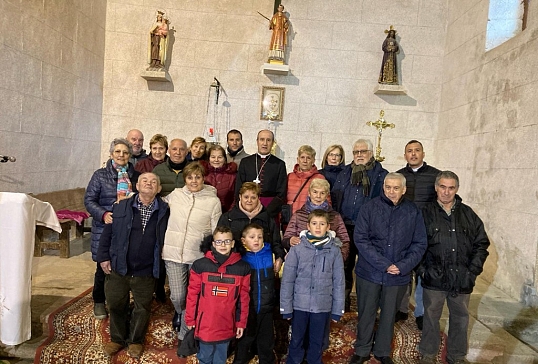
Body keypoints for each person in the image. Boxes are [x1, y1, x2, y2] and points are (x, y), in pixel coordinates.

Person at [349, 173, 427, 364]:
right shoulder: (369, 208)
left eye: (396, 188)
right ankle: (362, 349)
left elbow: (419, 243)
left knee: (389, 314)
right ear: (383, 188)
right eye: (388, 187)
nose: (392, 191)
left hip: (398, 274)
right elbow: (361, 239)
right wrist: (384, 264)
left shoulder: (413, 211)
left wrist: (402, 266)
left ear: (404, 189)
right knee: (366, 313)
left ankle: (383, 351)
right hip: (370, 271)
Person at [418, 171, 490, 364]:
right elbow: (416, 245)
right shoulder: (425, 213)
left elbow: (481, 244)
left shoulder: (468, 214)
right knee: (431, 318)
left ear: (457, 189)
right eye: (443, 187)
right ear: (436, 187)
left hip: (461, 278)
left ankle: (457, 356)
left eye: (451, 188)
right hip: (434, 278)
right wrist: (423, 270)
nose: (446, 192)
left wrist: (472, 272)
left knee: (460, 319)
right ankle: (428, 354)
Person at [97, 173, 170, 358]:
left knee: (142, 307)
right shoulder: (121, 206)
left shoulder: (166, 210)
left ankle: (136, 341)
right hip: (119, 266)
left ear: (159, 189)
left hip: (146, 269)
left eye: (154, 182)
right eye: (145, 181)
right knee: (115, 303)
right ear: (137, 186)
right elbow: (108, 233)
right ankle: (117, 339)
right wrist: (104, 257)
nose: (149, 184)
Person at [162, 162, 222, 348]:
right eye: (190, 177)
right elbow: (156, 202)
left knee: (194, 295)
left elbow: (216, 230)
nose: (194, 181)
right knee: (178, 296)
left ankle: (185, 332)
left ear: (203, 178)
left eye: (197, 177)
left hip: (197, 257)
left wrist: (216, 256)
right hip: (173, 253)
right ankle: (180, 313)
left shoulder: (213, 201)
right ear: (184, 179)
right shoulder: (176, 195)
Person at [84, 138, 139, 320]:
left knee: (124, 265)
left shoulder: (136, 176)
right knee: (103, 267)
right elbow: (89, 200)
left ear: (130, 155)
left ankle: (120, 301)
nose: (121, 155)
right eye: (118, 152)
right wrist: (103, 214)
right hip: (105, 227)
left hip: (128, 227)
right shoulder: (100, 175)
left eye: (125, 152)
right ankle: (99, 300)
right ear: (111, 154)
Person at [280, 209, 345, 364]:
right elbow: (288, 281)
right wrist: (286, 308)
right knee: (296, 340)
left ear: (328, 227)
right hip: (299, 306)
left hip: (321, 307)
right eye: (314, 223)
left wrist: (337, 310)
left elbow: (339, 282)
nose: (318, 227)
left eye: (322, 224)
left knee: (317, 343)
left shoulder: (334, 251)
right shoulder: (297, 249)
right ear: (308, 226)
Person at [332, 139, 388, 311]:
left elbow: (384, 203)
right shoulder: (345, 173)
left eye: (363, 152)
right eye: (356, 152)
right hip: (345, 226)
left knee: (366, 267)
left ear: (371, 153)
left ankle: (367, 303)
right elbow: (336, 197)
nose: (359, 155)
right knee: (344, 265)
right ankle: (344, 302)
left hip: (368, 230)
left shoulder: (380, 174)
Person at [185, 226, 251, 364]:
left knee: (220, 358)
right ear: (213, 244)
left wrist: (241, 323)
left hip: (227, 323)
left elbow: (243, 299)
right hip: (205, 324)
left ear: (233, 243)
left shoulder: (242, 268)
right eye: (219, 242)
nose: (223, 245)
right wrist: (190, 319)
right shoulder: (200, 265)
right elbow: (192, 295)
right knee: (205, 356)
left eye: (227, 241)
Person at [394, 140, 441, 328]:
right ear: (405, 155)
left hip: (427, 233)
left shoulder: (435, 175)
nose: (413, 154)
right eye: (409, 151)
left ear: (423, 153)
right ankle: (401, 309)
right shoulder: (398, 176)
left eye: (417, 151)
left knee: (423, 275)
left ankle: (421, 312)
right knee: (404, 272)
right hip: (404, 233)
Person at [232, 224, 276, 364]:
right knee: (244, 340)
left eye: (259, 237)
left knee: (266, 341)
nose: (256, 240)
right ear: (244, 240)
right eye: (252, 237)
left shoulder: (270, 255)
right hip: (247, 309)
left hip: (266, 307)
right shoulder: (240, 258)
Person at [219, 182, 285, 273]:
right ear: (240, 197)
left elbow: (276, 243)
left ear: (258, 198)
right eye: (246, 197)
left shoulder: (268, 219)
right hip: (235, 267)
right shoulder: (227, 218)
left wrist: (279, 258)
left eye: (253, 197)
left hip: (262, 267)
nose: (249, 200)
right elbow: (219, 242)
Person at [283, 178, 349, 261]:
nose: (318, 196)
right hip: (303, 262)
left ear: (327, 195)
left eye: (322, 193)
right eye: (315, 192)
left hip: (327, 263)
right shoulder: (298, 215)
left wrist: (338, 259)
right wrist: (290, 240)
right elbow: (286, 239)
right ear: (309, 193)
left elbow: (345, 241)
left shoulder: (335, 216)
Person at [235, 130, 287, 218]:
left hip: (270, 209)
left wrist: (267, 212)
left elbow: (281, 192)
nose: (265, 143)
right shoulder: (245, 162)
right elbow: (238, 188)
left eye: (268, 140)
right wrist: (244, 208)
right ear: (257, 141)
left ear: (272, 143)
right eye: (262, 139)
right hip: (247, 208)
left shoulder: (279, 164)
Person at [286, 145, 326, 214]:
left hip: (310, 219)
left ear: (313, 161)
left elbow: (326, 201)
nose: (305, 161)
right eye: (302, 157)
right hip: (290, 219)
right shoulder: (290, 176)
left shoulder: (319, 178)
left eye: (308, 158)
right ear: (298, 160)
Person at [202, 144, 237, 212]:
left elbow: (236, 197)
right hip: (205, 212)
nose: (216, 160)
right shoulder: (202, 174)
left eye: (220, 157)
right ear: (208, 158)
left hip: (226, 214)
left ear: (224, 159)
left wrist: (229, 214)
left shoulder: (233, 176)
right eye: (213, 157)